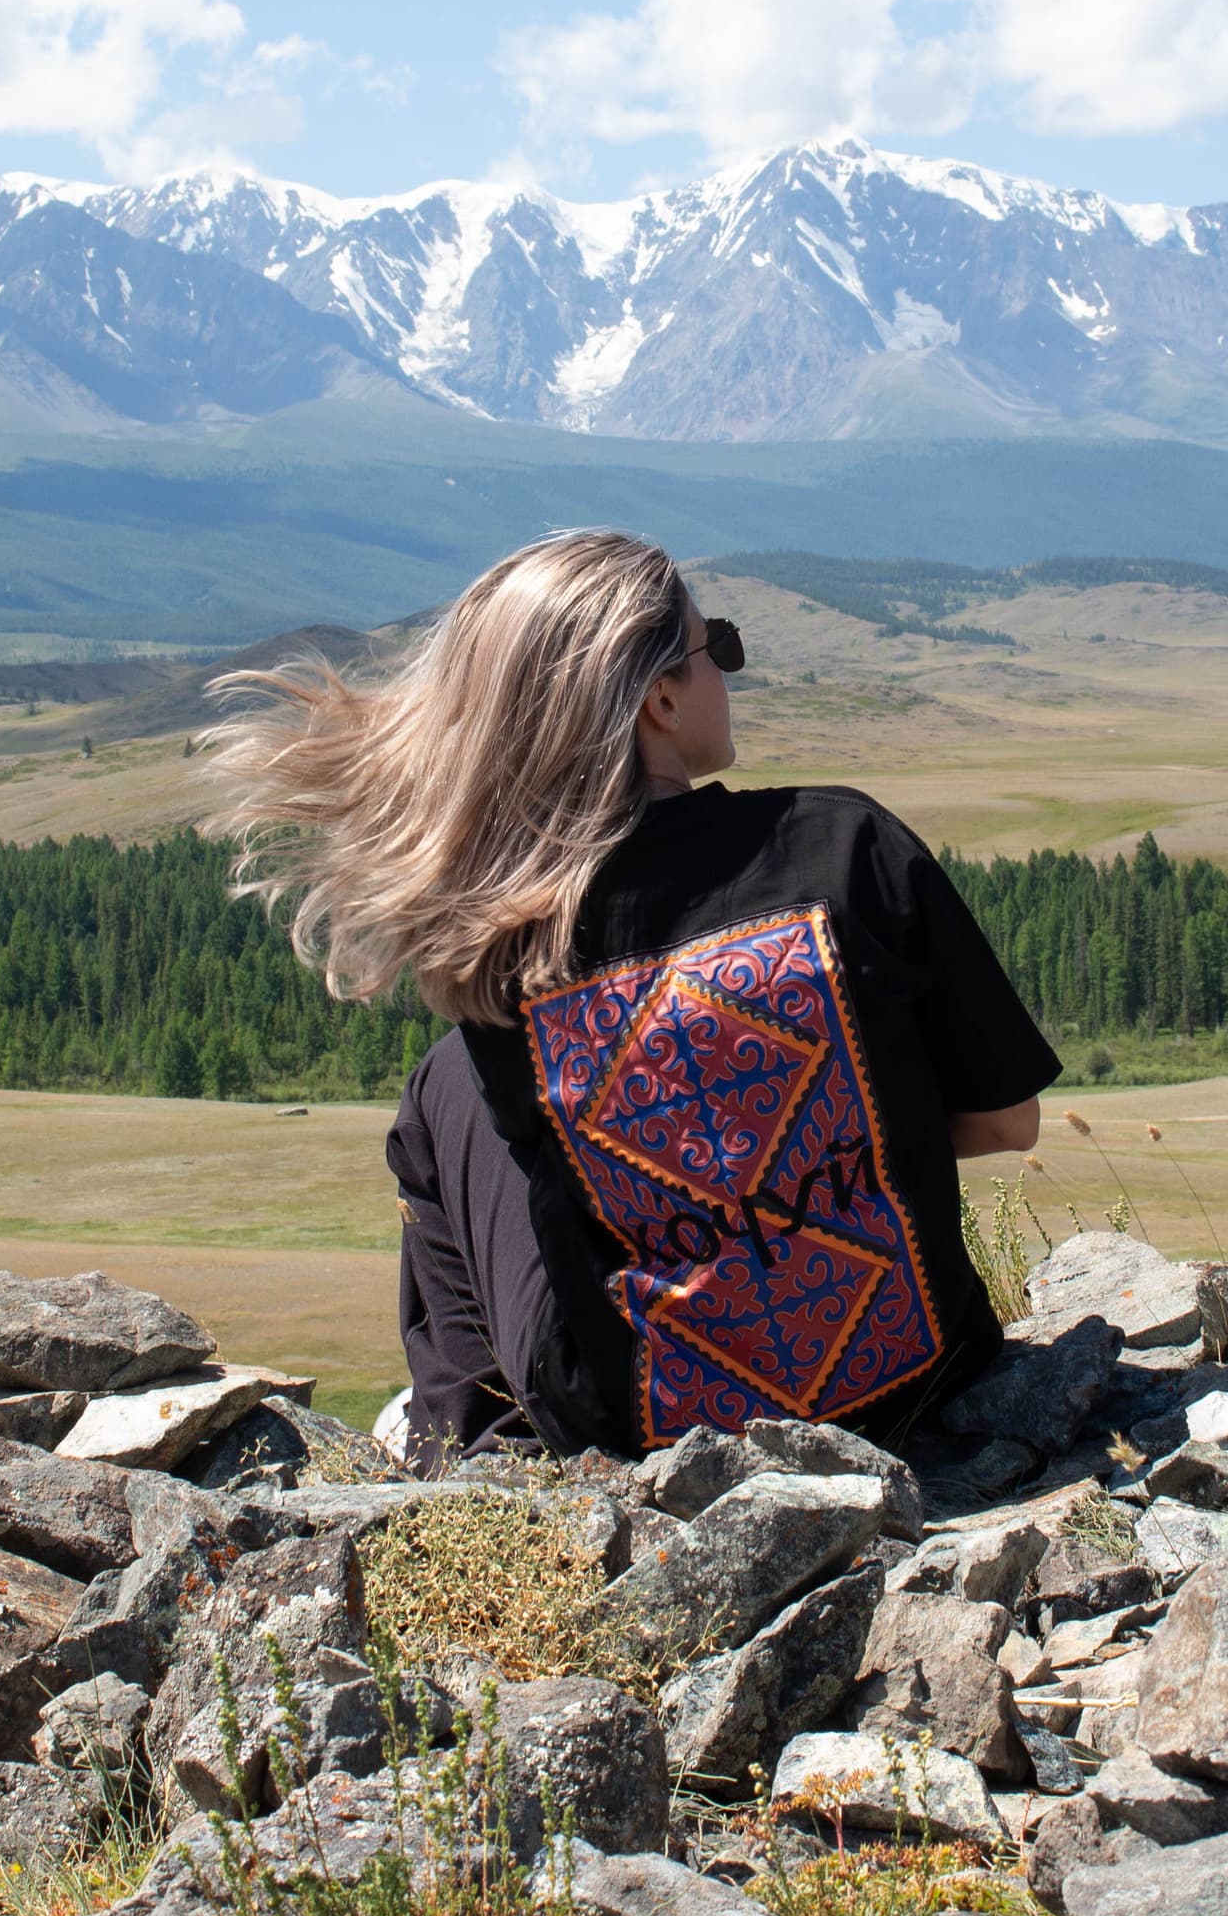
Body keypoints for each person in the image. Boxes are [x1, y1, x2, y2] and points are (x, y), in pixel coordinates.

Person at [199, 528, 1056, 1465]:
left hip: (647, 1436)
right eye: (715, 646)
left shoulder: (508, 944)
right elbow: (1009, 1123)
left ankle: (471, 1450)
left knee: (438, 1094)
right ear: (658, 697)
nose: (729, 668)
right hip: (918, 1373)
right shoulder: (849, 845)